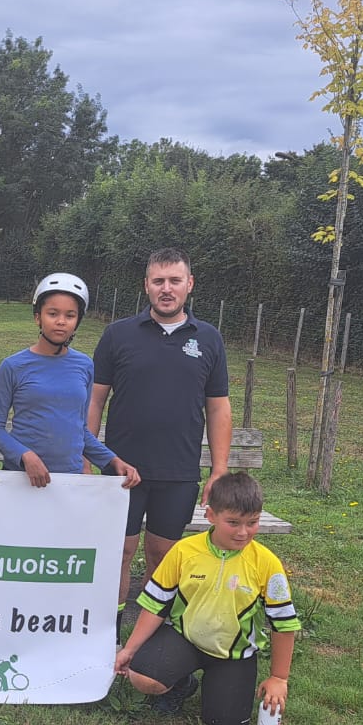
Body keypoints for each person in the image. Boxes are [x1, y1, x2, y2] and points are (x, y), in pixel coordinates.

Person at [88, 247, 231, 615]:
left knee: (163, 554)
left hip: (178, 472)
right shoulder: (118, 335)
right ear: (146, 286)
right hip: (121, 470)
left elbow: (217, 407)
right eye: (158, 281)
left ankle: (153, 638)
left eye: (175, 281)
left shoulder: (210, 339)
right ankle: (108, 634)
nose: (166, 289)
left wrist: (219, 469)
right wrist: (86, 456)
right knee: (118, 551)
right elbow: (94, 400)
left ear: (189, 285)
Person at [113, 472, 299, 725]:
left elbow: (283, 624)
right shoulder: (184, 550)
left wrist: (279, 677)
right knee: (142, 677)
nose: (243, 532)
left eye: (252, 522)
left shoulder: (267, 563)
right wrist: (130, 649)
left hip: (233, 654)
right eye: (233, 522)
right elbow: (156, 604)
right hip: (184, 639)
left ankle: (221, 683)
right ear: (211, 516)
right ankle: (181, 683)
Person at [0, 272, 142, 491]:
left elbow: (80, 429)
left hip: (68, 479)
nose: (61, 321)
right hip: (21, 479)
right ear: (37, 317)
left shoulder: (84, 366)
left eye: (70, 315)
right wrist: (25, 457)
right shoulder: (13, 366)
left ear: (78, 321)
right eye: (53, 313)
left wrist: (112, 460)